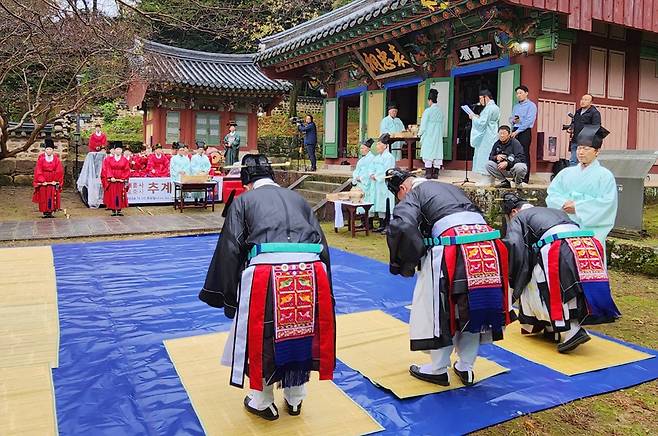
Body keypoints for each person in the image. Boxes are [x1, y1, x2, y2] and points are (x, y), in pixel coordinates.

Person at [199, 154, 336, 421]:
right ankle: (295, 398)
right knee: (300, 331)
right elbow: (321, 240)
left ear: (247, 182)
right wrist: (326, 285)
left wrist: (227, 296)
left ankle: (262, 400)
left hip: (267, 270)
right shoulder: (298, 198)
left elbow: (230, 248)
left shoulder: (244, 201)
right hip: (310, 270)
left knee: (263, 333)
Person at [385, 168, 510, 386]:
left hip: (452, 246)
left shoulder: (415, 193)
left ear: (403, 189)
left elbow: (402, 224)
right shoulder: (449, 186)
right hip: (487, 244)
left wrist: (404, 262)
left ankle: (438, 368)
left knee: (443, 308)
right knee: (472, 306)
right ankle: (466, 366)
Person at [502, 192, 620, 352]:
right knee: (574, 288)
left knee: (543, 286)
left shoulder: (518, 217)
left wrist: (511, 277)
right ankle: (553, 329)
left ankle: (572, 330)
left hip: (558, 245)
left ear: (513, 212)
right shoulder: (549, 210)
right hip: (586, 243)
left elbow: (515, 246)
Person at [546, 125, 617, 251]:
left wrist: (578, 207)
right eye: (579, 148)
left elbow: (607, 203)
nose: (581, 152)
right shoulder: (565, 173)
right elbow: (552, 194)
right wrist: (563, 204)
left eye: (586, 148)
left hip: (591, 229)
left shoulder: (605, 176)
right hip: (565, 225)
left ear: (596, 152)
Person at [469, 89, 500, 185]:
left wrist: (473, 117)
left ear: (485, 97)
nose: (480, 101)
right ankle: (491, 179)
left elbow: (482, 123)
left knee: (484, 154)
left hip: (486, 135)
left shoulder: (489, 108)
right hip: (493, 132)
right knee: (490, 154)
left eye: (480, 99)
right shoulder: (495, 107)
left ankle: (485, 179)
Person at [509, 85, 537, 183]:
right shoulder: (516, 106)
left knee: (524, 154)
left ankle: (525, 178)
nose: (519, 95)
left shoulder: (531, 105)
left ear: (526, 93)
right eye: (517, 93)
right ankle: (515, 176)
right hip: (515, 130)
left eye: (521, 93)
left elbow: (529, 121)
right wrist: (513, 121)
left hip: (524, 131)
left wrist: (518, 130)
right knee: (515, 154)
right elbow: (512, 119)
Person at [370, 134, 396, 232]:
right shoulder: (377, 157)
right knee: (379, 203)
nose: (377, 147)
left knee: (386, 202)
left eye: (379, 144)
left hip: (385, 183)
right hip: (377, 183)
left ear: (385, 146)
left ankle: (388, 224)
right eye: (377, 144)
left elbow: (387, 170)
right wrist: (371, 174)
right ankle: (381, 223)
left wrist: (377, 176)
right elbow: (372, 168)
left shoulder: (389, 157)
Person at [32, 137, 64, 218]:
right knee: (44, 197)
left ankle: (50, 211)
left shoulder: (56, 159)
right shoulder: (41, 159)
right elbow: (38, 170)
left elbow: (59, 170)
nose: (49, 151)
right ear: (45, 150)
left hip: (52, 179)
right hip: (44, 180)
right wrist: (42, 180)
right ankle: (45, 211)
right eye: (47, 149)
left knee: (50, 197)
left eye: (50, 149)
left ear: (53, 150)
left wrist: (55, 180)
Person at [418, 88, 444, 179]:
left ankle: (428, 173)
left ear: (429, 100)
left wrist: (419, 133)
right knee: (437, 152)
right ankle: (436, 173)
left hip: (429, 134)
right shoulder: (440, 111)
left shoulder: (427, 111)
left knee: (428, 153)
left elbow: (423, 125)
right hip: (437, 135)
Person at [568, 94, 601, 166]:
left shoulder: (594, 113)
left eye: (586, 100)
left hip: (586, 141)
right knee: (573, 160)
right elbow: (573, 123)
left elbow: (596, 127)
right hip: (575, 139)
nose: (583, 101)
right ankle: (573, 176)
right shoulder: (578, 112)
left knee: (584, 161)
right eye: (582, 99)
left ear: (591, 102)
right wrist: (571, 128)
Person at [101, 141, 130, 216]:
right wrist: (110, 177)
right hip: (112, 180)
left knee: (120, 195)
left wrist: (123, 178)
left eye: (120, 149)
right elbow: (106, 168)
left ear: (122, 151)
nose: (118, 151)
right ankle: (113, 209)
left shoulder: (125, 160)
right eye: (117, 149)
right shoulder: (108, 159)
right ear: (114, 150)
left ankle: (119, 209)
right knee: (113, 195)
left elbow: (126, 170)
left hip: (120, 180)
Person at [352, 138, 375, 204]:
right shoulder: (361, 160)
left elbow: (370, 171)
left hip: (366, 182)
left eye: (363, 148)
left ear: (368, 149)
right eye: (360, 148)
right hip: (359, 182)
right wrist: (356, 177)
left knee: (366, 199)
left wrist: (361, 178)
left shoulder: (372, 158)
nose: (361, 150)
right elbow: (357, 170)